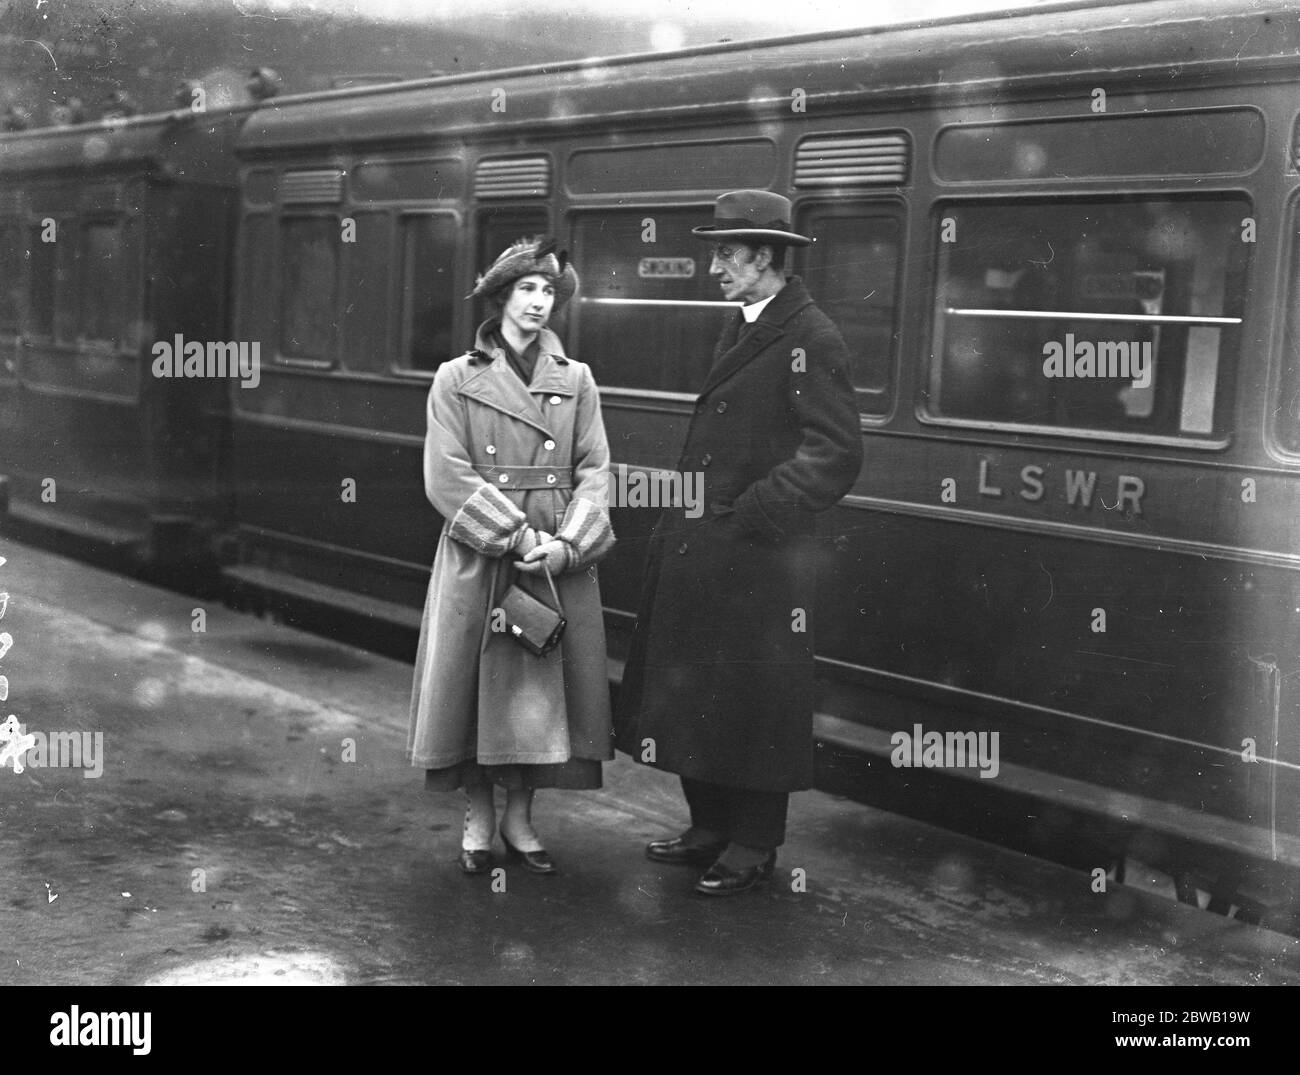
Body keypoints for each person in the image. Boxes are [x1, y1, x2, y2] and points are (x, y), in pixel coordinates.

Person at [616, 191, 863, 896]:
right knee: (703, 692)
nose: (715, 266)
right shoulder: (749, 323)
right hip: (706, 545)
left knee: (753, 700)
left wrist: (754, 512)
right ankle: (709, 826)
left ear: (764, 257)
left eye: (726, 253)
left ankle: (753, 843)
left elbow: (836, 453)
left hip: (758, 558)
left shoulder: (811, 335)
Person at [407, 238, 615, 876]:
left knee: (537, 686)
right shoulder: (455, 377)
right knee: (475, 688)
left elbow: (596, 470)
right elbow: (445, 475)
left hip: (553, 556)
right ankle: (479, 815)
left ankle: (522, 815)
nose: (539, 303)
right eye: (527, 289)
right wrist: (521, 537)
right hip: (486, 552)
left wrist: (566, 545)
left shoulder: (576, 379)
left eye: (549, 292)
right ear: (499, 298)